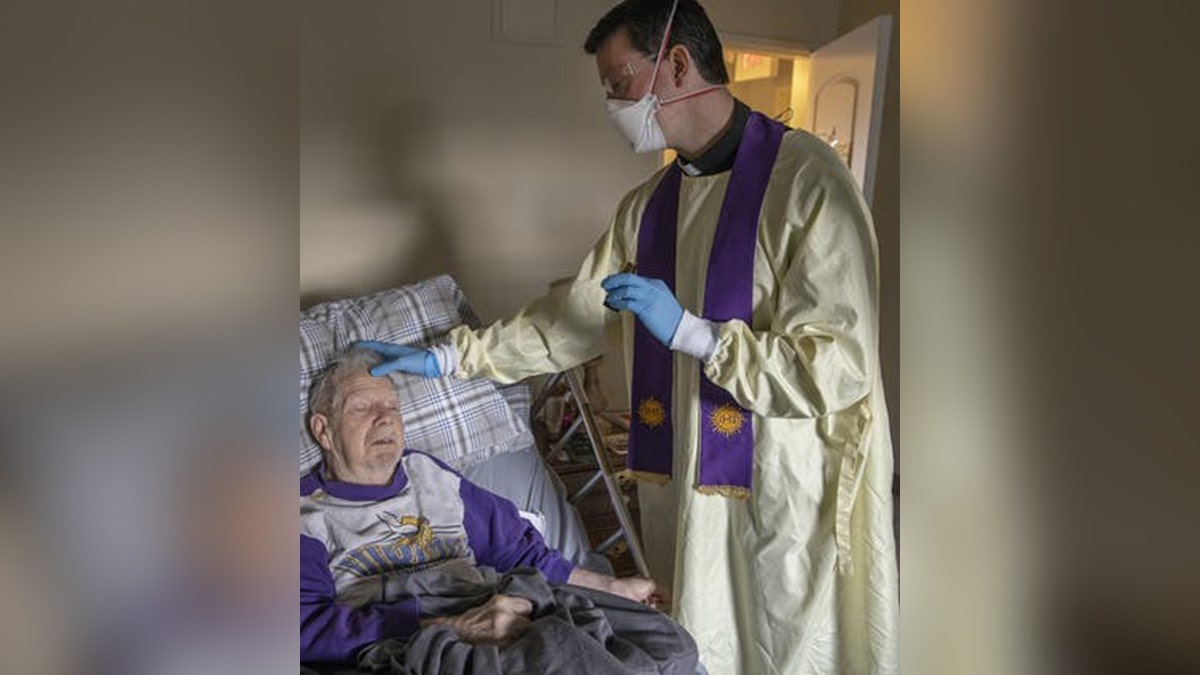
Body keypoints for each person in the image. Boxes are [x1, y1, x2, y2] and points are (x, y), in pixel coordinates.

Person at [359, 1, 898, 672]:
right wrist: (447, 355)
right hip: (682, 483)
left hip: (779, 484)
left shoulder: (810, 184)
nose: (613, 103)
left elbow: (837, 368)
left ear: (675, 62)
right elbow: (568, 322)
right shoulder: (647, 208)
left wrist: (697, 335)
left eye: (619, 82)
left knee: (782, 639)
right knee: (698, 637)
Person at [299, 348, 688, 671]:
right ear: (323, 430)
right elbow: (304, 629)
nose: (385, 417)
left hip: (498, 600)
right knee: (558, 649)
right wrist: (452, 625)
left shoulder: (429, 474)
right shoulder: (302, 515)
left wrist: (613, 587)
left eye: (392, 406)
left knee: (669, 643)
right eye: (362, 407)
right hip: (412, 637)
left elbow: (517, 549)